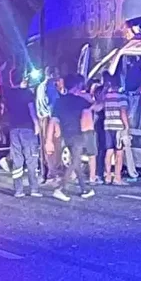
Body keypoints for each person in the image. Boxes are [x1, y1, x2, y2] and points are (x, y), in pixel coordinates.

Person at [46, 74, 99, 202]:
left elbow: (53, 120)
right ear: (77, 86)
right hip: (78, 134)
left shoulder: (60, 101)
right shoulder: (79, 101)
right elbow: (95, 106)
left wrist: (48, 140)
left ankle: (84, 189)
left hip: (66, 135)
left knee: (77, 161)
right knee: (75, 161)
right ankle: (61, 188)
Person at [2, 71, 41, 198]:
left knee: (17, 159)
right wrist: (36, 124)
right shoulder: (27, 93)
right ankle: (34, 189)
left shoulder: (8, 94)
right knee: (31, 158)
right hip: (27, 128)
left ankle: (18, 190)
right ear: (23, 79)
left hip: (14, 129)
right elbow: (31, 110)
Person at [102, 72, 130, 185]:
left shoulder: (106, 97)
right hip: (118, 127)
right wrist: (126, 126)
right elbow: (123, 112)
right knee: (119, 152)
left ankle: (108, 176)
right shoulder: (121, 97)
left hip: (107, 125)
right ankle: (117, 177)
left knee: (109, 151)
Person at [36, 66, 60, 183]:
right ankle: (52, 173)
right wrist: (55, 123)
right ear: (51, 74)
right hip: (50, 119)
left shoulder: (40, 86)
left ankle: (44, 173)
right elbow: (51, 104)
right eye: (56, 73)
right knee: (52, 147)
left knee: (44, 147)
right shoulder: (50, 86)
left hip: (41, 119)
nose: (58, 76)